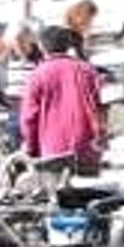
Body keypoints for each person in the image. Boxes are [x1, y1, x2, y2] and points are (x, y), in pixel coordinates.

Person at [20, 25, 103, 175]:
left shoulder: (37, 76)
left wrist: (31, 150)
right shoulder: (87, 70)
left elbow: (29, 118)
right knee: (91, 195)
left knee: (60, 196)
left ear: (42, 47)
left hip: (53, 152)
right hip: (86, 149)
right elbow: (101, 107)